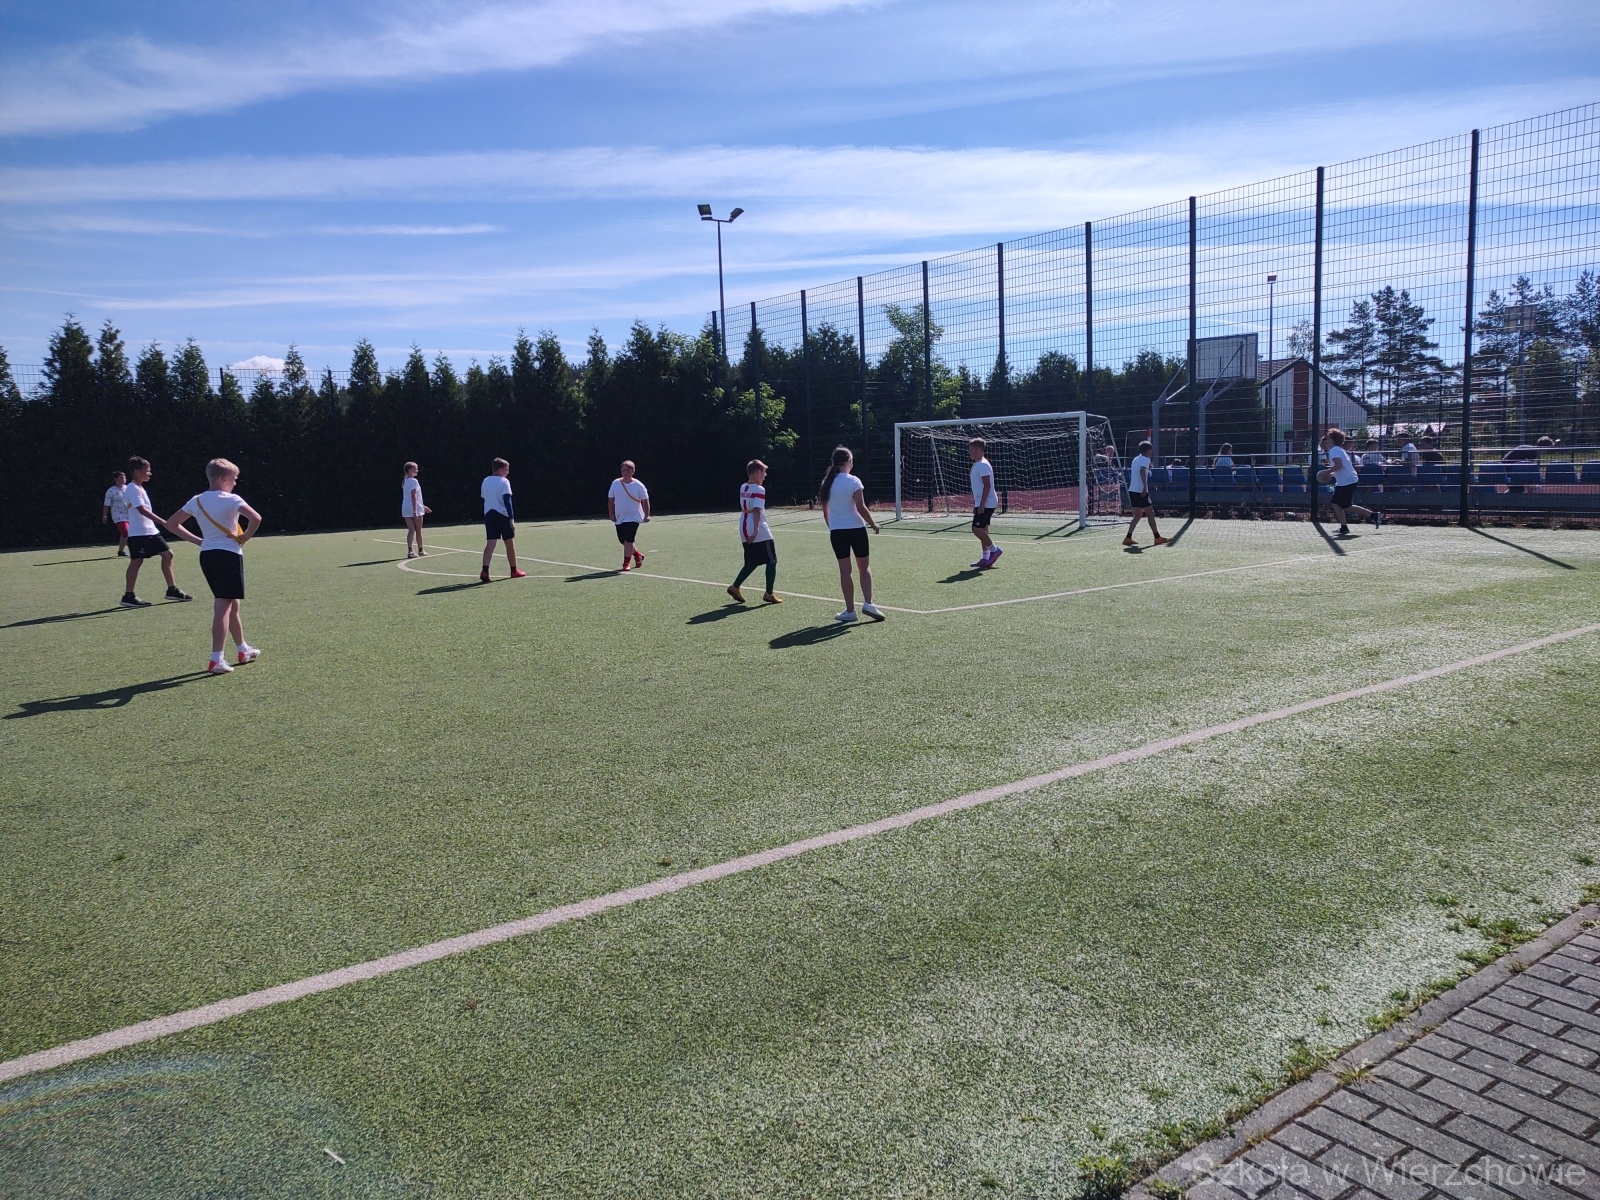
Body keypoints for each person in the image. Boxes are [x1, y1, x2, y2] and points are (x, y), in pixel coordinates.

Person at [163, 458, 262, 674]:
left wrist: (199, 541)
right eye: (234, 479)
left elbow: (171, 524)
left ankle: (242, 649)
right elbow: (255, 518)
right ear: (224, 479)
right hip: (228, 555)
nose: (235, 483)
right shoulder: (232, 499)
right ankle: (216, 658)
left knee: (232, 603)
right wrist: (244, 537)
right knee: (223, 606)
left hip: (207, 555)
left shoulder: (197, 500)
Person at [819, 446, 883, 623]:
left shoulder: (827, 483)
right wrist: (873, 524)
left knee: (845, 571)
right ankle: (869, 603)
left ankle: (850, 611)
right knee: (864, 568)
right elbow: (861, 507)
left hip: (837, 532)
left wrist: (833, 527)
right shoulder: (854, 480)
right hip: (857, 529)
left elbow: (825, 511)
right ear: (848, 462)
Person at [120, 456, 192, 607]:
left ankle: (172, 590)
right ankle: (128, 596)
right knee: (137, 560)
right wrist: (163, 522)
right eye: (147, 471)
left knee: (168, 554)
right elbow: (142, 510)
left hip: (150, 531)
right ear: (137, 472)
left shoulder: (140, 488)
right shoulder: (132, 488)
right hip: (139, 533)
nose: (150, 473)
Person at [727, 459, 781, 605]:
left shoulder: (743, 487)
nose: (765, 475)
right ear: (757, 472)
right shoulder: (759, 489)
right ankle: (769, 593)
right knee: (771, 560)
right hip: (757, 527)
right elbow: (757, 510)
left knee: (752, 560)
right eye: (764, 472)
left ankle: (735, 586)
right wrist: (756, 530)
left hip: (743, 524)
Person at [1322, 429, 1381, 536]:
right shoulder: (1338, 449)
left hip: (1347, 481)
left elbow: (1339, 465)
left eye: (1328, 438)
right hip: (1346, 480)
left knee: (1345, 505)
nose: (1326, 441)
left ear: (1333, 440)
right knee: (1336, 503)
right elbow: (1342, 467)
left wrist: (1327, 472)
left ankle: (1373, 515)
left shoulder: (1334, 450)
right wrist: (1331, 474)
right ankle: (1344, 527)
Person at [479, 458, 526, 583]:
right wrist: (511, 519)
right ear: (500, 469)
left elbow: (484, 497)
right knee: (510, 543)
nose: (508, 472)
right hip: (503, 515)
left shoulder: (485, 481)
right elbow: (507, 500)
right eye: (506, 469)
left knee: (490, 544)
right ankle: (514, 570)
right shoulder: (504, 481)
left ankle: (485, 570)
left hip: (489, 515)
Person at [1123, 440, 1167, 548]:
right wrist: (1144, 488)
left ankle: (1128, 537)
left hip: (1132, 490)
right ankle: (1157, 538)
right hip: (1140, 491)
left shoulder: (1135, 459)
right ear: (1148, 451)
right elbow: (1142, 471)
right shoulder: (1146, 459)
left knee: (1138, 515)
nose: (1151, 452)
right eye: (1151, 450)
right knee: (1150, 513)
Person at [607, 460, 650, 571]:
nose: (625, 472)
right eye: (623, 470)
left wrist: (647, 515)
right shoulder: (615, 483)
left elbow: (645, 500)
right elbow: (611, 500)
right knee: (622, 540)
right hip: (620, 517)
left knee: (629, 539)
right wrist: (611, 514)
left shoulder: (638, 485)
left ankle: (626, 563)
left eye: (628, 470)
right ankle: (637, 554)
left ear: (633, 471)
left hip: (633, 517)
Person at [968, 437, 1001, 569]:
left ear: (979, 450)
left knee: (976, 529)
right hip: (982, 502)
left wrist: (982, 504)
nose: (969, 452)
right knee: (983, 529)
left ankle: (995, 550)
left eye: (971, 449)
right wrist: (976, 503)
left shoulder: (982, 464)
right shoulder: (977, 464)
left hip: (987, 503)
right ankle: (985, 558)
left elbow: (987, 486)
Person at [402, 461, 431, 558]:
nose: (417, 471)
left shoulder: (405, 481)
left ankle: (410, 551)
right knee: (418, 530)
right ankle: (421, 550)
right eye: (415, 469)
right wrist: (415, 510)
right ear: (409, 470)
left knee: (411, 530)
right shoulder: (414, 481)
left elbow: (414, 498)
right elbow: (413, 496)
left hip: (405, 508)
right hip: (414, 508)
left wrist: (423, 506)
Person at [103, 470, 131, 557]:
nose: (124, 479)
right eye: (121, 477)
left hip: (129, 514)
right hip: (118, 515)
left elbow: (132, 501)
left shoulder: (128, 489)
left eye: (124, 477)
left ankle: (121, 551)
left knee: (127, 533)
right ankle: (133, 549)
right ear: (115, 479)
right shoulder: (111, 491)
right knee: (126, 531)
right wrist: (104, 515)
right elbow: (106, 504)